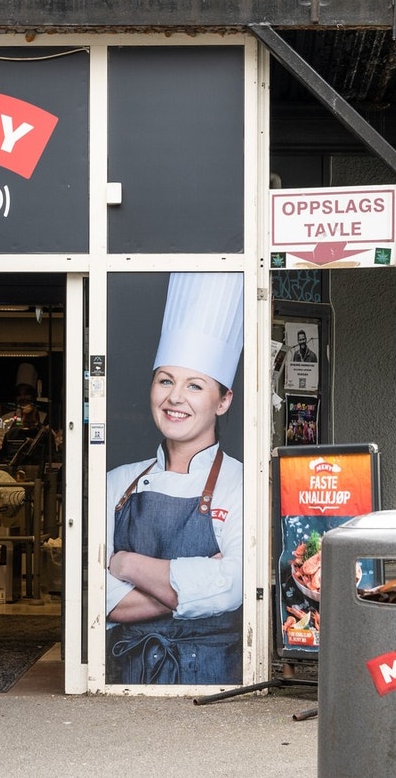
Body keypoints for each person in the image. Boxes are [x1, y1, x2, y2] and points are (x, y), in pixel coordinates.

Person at [106, 272, 245, 685]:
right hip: (127, 674)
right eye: (165, 380)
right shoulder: (118, 483)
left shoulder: (242, 483)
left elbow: (233, 587)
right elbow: (101, 599)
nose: (175, 398)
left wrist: (126, 563)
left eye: (195, 386)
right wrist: (191, 581)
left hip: (215, 676)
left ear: (223, 401)